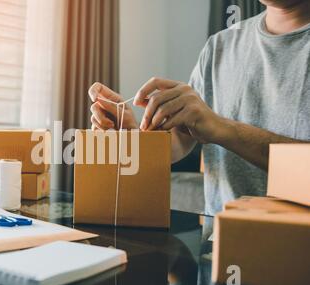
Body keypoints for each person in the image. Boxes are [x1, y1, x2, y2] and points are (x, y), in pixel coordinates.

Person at [88, 0, 310, 216]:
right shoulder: (220, 45)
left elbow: (212, 126)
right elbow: (180, 141)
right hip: (217, 245)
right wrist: (134, 137)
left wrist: (223, 128)